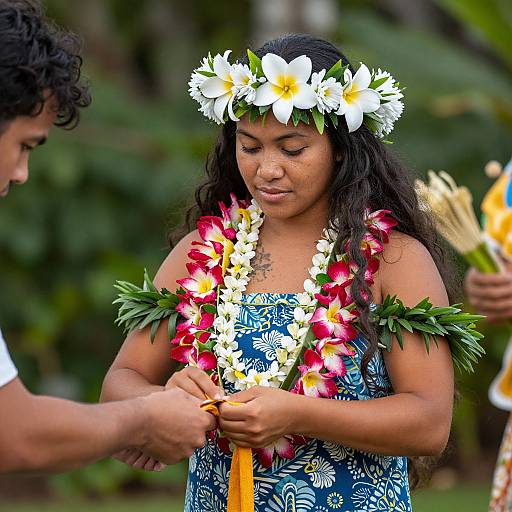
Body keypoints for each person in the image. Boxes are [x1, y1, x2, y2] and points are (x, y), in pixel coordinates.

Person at [101, 34, 454, 510]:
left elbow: (430, 423)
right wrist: (163, 399)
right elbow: (120, 381)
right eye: (250, 147)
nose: (267, 169)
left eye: (292, 149)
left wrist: (298, 413)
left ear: (342, 150)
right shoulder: (201, 254)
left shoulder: (393, 260)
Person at [0, 0, 215, 474]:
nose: (21, 173)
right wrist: (141, 419)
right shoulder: (204, 250)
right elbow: (14, 433)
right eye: (23, 146)